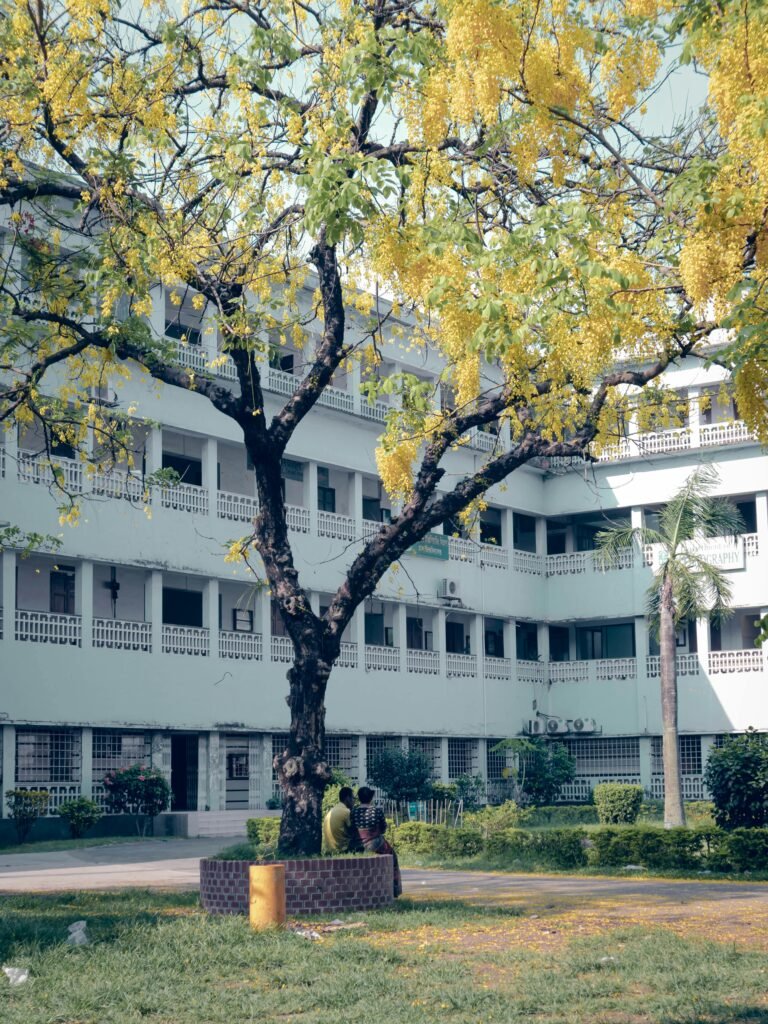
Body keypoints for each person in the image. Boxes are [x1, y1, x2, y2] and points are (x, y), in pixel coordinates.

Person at [351, 786, 402, 897]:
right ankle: (395, 890)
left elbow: (351, 828)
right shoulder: (376, 811)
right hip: (374, 842)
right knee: (393, 857)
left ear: (359, 798)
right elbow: (383, 828)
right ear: (371, 797)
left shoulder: (353, 811)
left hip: (357, 844)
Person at [322, 786, 361, 853]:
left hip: (329, 850)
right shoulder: (346, 812)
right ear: (347, 798)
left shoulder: (331, 811)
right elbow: (355, 831)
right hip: (342, 849)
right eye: (353, 798)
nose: (354, 801)